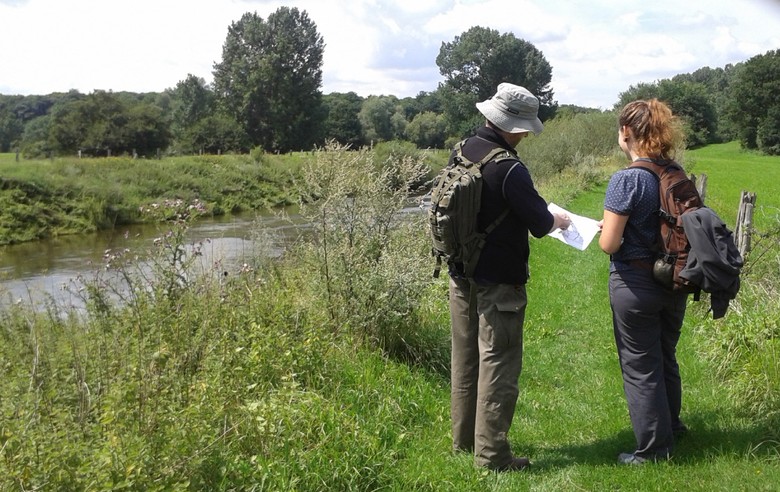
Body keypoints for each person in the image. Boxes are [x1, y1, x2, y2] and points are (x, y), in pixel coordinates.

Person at [448, 83, 570, 472]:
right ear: (514, 126)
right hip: (498, 283)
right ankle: (493, 457)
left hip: (461, 274)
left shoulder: (464, 150)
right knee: (498, 365)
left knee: (466, 361)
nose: (525, 135)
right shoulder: (509, 168)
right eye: (524, 128)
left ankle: (464, 441)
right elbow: (540, 222)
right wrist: (561, 219)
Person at [599, 99, 690, 465]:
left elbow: (610, 244)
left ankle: (653, 450)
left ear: (627, 133)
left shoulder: (627, 179)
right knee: (665, 356)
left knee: (640, 366)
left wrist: (608, 229)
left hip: (635, 281)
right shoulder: (675, 172)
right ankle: (673, 426)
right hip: (674, 279)